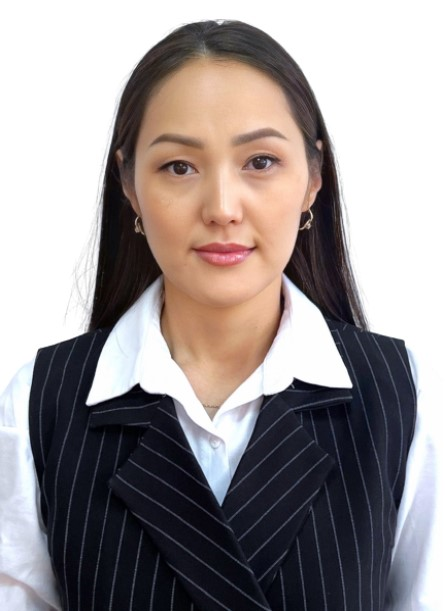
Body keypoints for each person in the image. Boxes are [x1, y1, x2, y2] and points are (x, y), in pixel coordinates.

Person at [0, 19, 442, 611]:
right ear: (129, 185)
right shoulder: (41, 405)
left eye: (260, 161)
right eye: (179, 167)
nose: (222, 208)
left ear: (313, 179)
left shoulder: (403, 396)